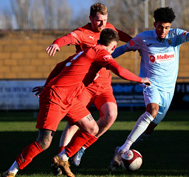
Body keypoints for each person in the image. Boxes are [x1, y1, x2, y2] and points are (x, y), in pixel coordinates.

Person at [2, 28, 150, 177]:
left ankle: (62, 158)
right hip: (56, 97)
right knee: (44, 141)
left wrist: (47, 85)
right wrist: (141, 79)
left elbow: (59, 66)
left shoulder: (85, 52)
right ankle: (11, 171)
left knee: (92, 128)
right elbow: (119, 70)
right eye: (113, 49)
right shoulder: (101, 52)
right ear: (112, 47)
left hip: (69, 99)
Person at [108, 7, 189, 171]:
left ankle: (129, 144)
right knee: (152, 111)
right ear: (154, 24)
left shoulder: (176, 35)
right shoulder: (143, 38)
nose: (163, 31)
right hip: (151, 83)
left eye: (166, 27)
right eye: (160, 27)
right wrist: (104, 57)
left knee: (151, 126)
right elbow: (122, 49)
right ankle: (122, 150)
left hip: (168, 89)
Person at [45, 2, 132, 167]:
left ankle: (82, 148)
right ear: (91, 18)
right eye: (98, 20)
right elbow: (68, 38)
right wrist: (57, 43)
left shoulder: (109, 29)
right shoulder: (82, 33)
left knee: (111, 115)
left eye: (105, 20)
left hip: (104, 86)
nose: (102, 24)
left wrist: (136, 43)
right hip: (84, 87)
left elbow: (120, 34)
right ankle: (60, 159)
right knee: (74, 124)